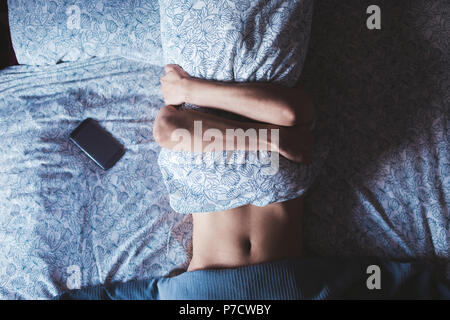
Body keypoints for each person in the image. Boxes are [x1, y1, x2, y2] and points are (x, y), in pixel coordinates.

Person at [153, 64, 315, 271]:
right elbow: (293, 113)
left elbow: (167, 127)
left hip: (202, 87)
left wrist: (187, 89)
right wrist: (273, 139)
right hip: (270, 110)